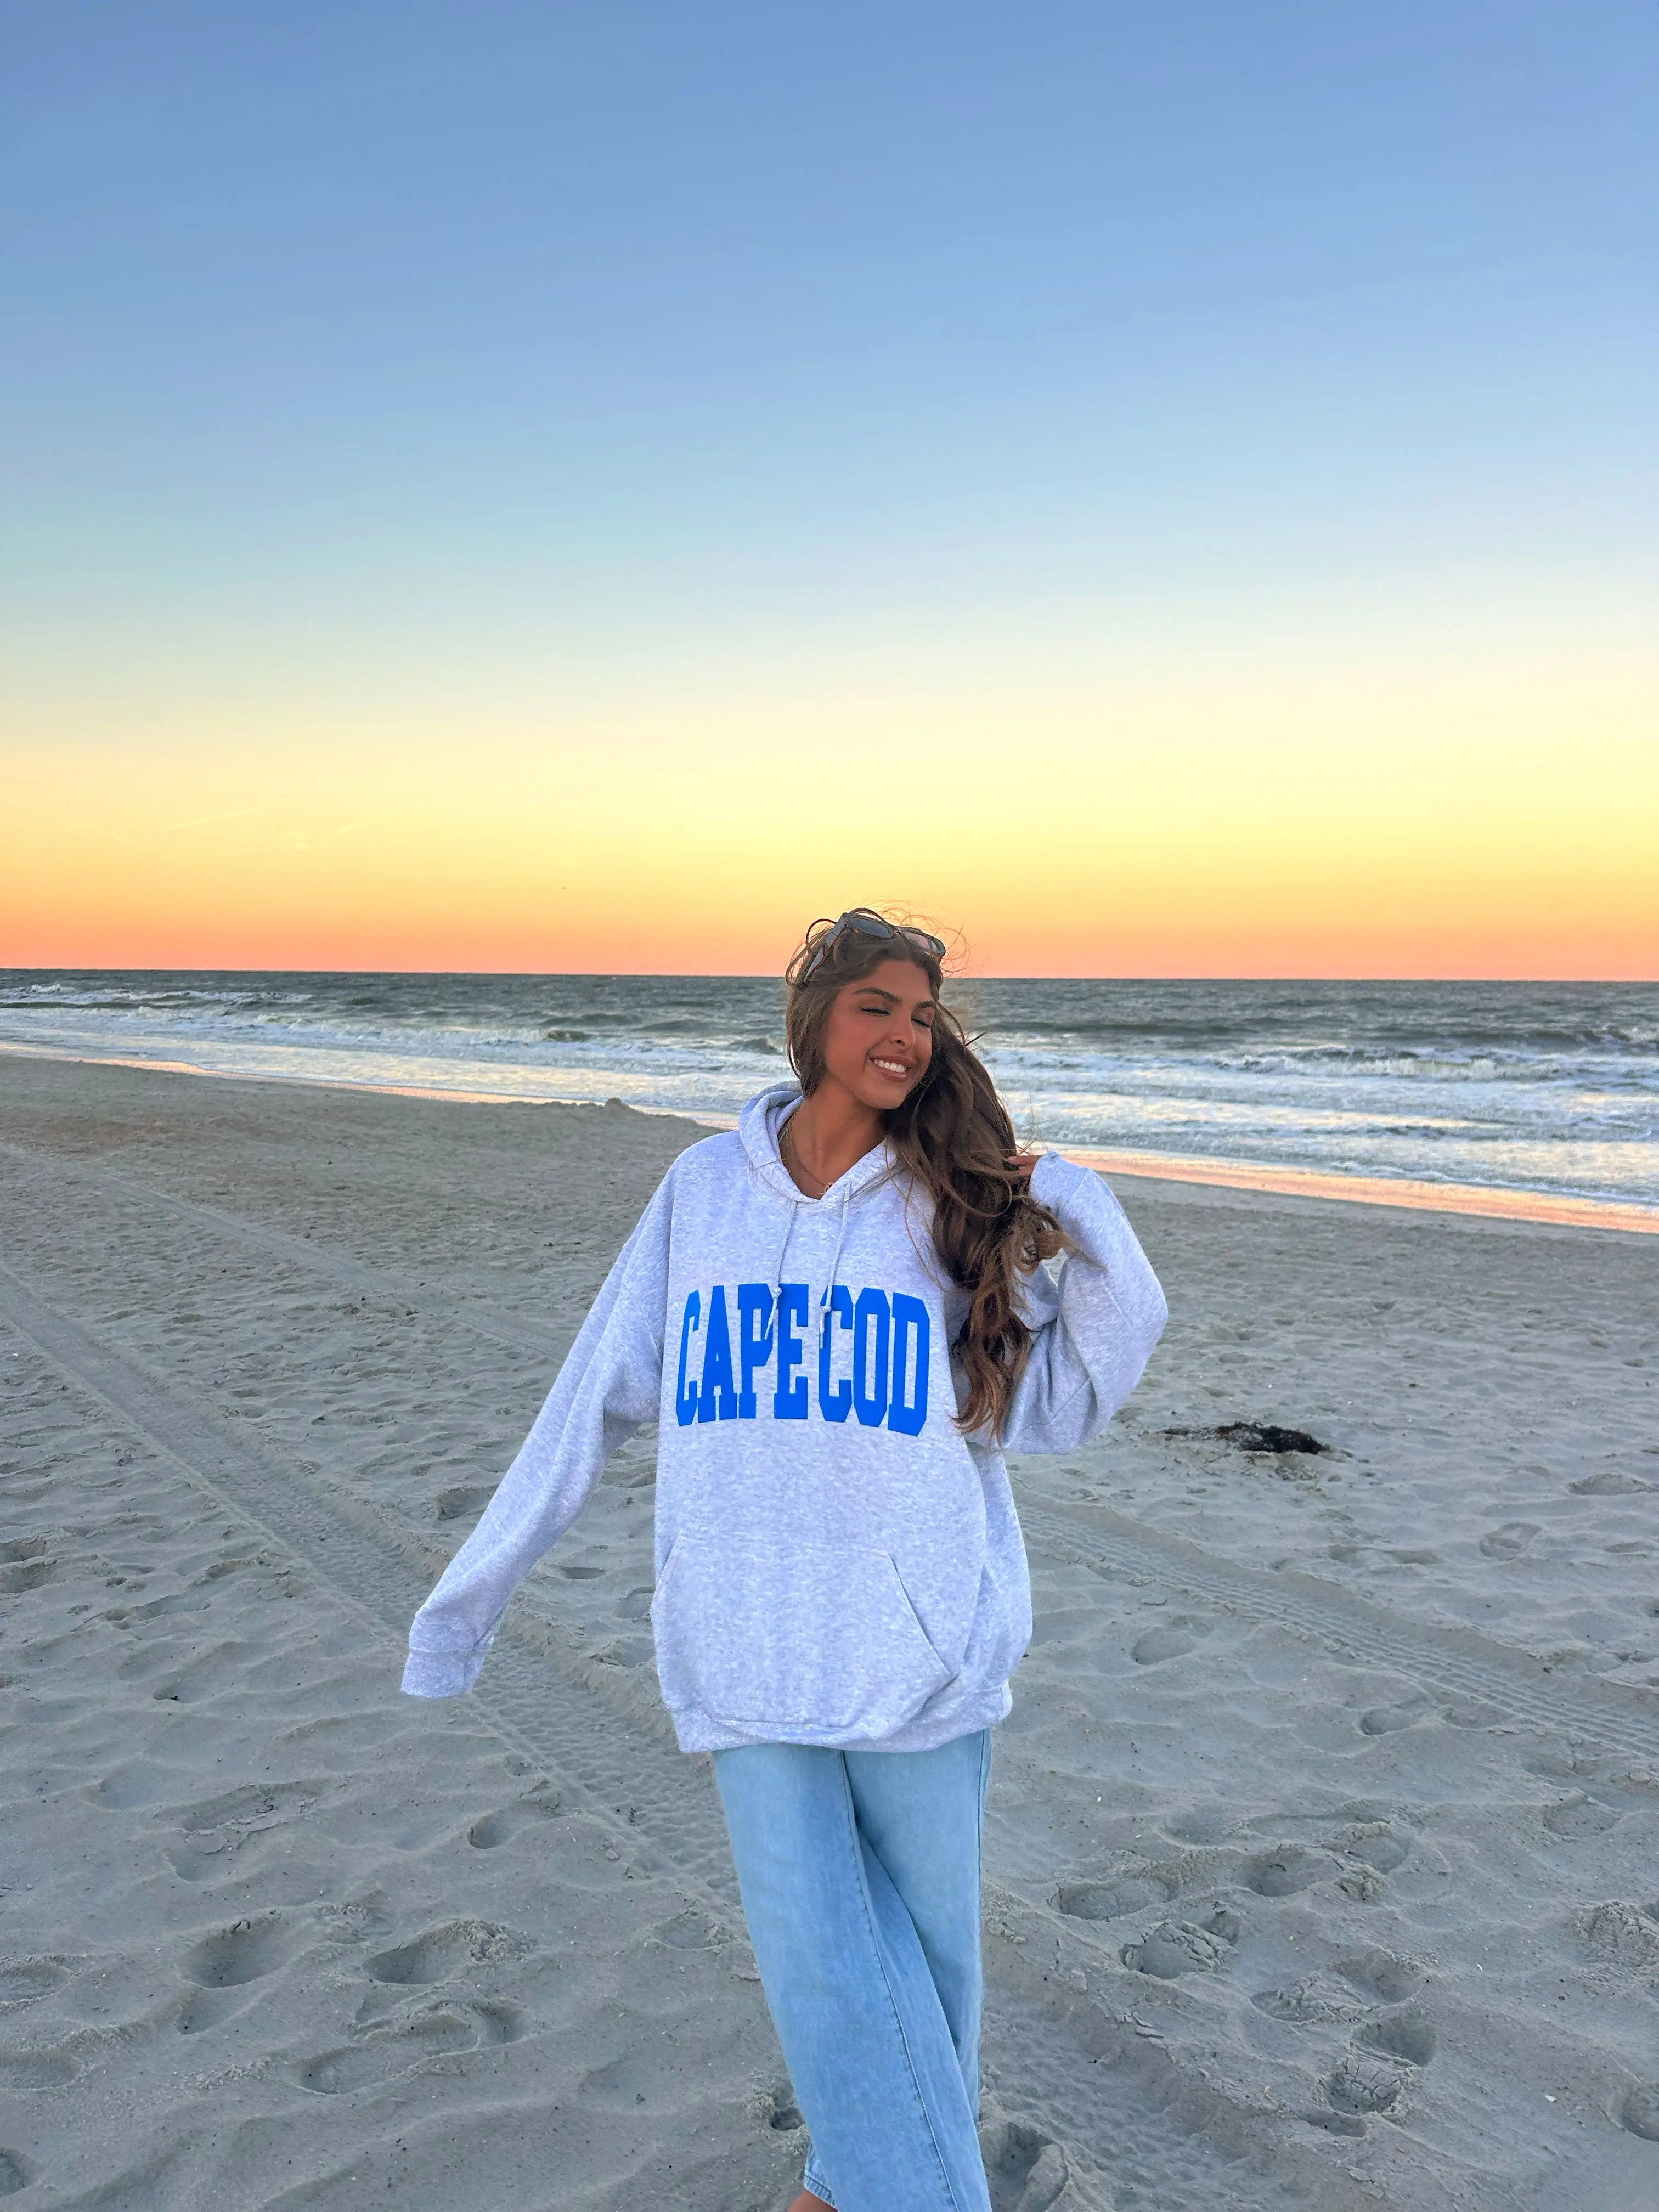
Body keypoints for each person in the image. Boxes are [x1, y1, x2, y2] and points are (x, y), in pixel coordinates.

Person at [402, 909, 1168, 2212]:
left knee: (928, 1969)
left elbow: (1069, 1400)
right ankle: (891, 2181)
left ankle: (854, 2176)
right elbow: (591, 1396)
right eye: (878, 1006)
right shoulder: (701, 1191)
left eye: (923, 1016)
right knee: (820, 1962)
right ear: (813, 1015)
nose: (906, 1035)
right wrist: (463, 1606)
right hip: (746, 1641)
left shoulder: (953, 1206)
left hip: (920, 1654)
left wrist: (1070, 1196)